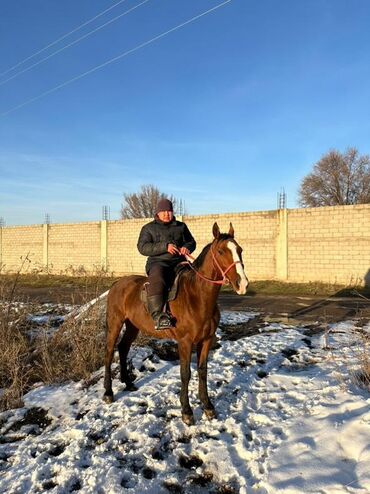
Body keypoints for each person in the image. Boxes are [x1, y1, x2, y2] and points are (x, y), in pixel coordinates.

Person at [137, 198, 196, 330]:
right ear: (157, 213)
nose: (166, 214)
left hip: (179, 263)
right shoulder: (148, 228)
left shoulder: (181, 226)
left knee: (193, 277)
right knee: (158, 278)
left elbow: (191, 242)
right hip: (158, 263)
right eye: (163, 211)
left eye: (169, 211)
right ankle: (158, 316)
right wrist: (165, 247)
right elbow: (142, 247)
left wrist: (187, 248)